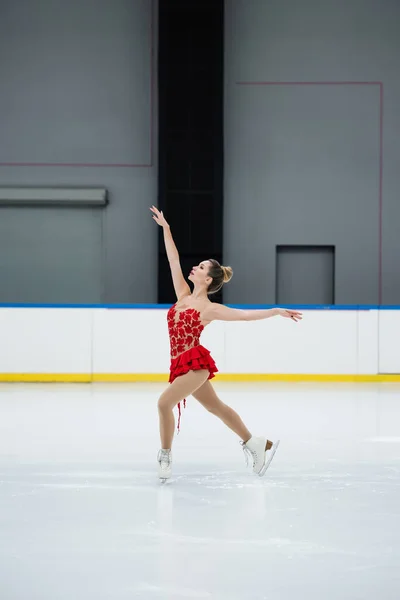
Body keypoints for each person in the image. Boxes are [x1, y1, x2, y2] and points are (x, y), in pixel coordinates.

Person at [150, 206, 302, 481]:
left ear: (207, 279)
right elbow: (173, 261)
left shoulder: (210, 309)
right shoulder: (183, 295)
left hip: (195, 365)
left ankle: (165, 455)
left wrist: (275, 311)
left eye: (200, 267)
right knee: (215, 407)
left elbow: (244, 316)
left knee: (163, 404)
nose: (193, 268)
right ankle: (254, 442)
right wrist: (166, 228)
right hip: (180, 364)